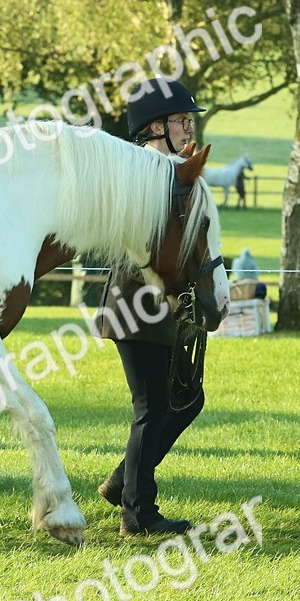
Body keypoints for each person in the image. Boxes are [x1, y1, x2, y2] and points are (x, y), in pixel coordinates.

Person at [96, 78, 210, 537]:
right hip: (136, 303)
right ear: (156, 127)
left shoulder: (174, 169)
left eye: (187, 121)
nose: (188, 128)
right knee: (154, 408)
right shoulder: (145, 170)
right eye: (181, 121)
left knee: (185, 401)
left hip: (163, 305)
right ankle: (138, 512)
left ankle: (124, 483)